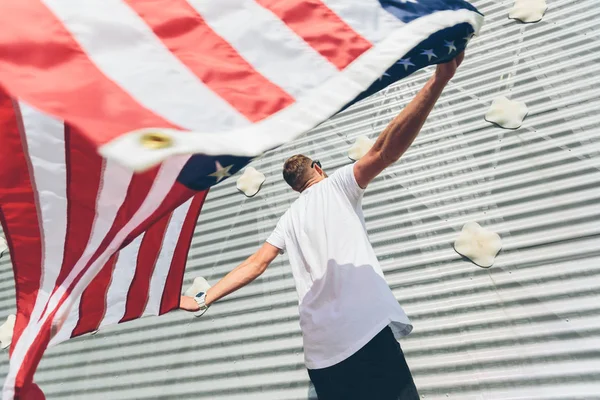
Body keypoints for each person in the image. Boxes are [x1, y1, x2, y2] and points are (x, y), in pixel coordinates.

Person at [180, 52, 465, 400]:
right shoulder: (337, 185)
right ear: (317, 167)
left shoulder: (288, 219)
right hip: (364, 332)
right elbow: (384, 150)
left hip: (322, 355)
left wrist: (204, 297)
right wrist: (439, 80)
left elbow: (255, 265)